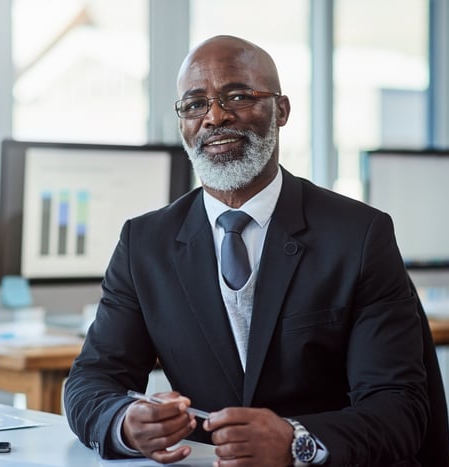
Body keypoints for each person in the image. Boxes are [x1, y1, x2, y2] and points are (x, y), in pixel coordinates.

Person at [64, 35, 429, 466]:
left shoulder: (359, 235)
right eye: (195, 104)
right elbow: (91, 380)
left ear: (282, 110)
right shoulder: (144, 244)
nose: (215, 116)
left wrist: (297, 442)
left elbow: (399, 408)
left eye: (237, 96)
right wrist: (125, 421)